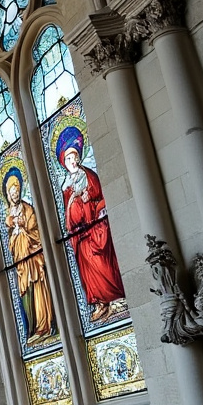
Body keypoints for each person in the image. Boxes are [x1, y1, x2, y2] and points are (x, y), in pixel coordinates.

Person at [57, 126, 125, 323]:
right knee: (87, 269)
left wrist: (89, 199)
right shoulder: (66, 185)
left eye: (75, 157)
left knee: (101, 261)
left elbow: (101, 196)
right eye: (69, 159)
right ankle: (99, 302)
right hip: (79, 233)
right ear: (63, 162)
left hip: (95, 226)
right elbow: (68, 210)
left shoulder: (89, 175)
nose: (73, 161)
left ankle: (115, 298)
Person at [1, 166, 55, 343]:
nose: (15, 194)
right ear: (8, 194)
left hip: (33, 259)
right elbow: (9, 243)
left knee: (39, 291)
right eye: (12, 191)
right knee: (26, 296)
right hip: (20, 265)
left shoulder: (28, 209)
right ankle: (32, 329)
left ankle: (44, 326)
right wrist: (15, 233)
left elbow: (36, 233)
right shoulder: (8, 216)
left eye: (17, 191)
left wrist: (22, 229)